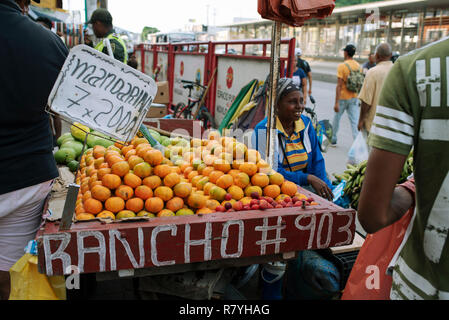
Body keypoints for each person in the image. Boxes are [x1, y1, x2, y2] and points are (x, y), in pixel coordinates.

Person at [358, 37, 449, 299]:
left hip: (424, 285)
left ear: (376, 56)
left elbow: (372, 216)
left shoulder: (417, 68)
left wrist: (410, 188)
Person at [0, 0, 68, 299]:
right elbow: (67, 105)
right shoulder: (48, 43)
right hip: (26, 180)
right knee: (10, 277)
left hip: (26, 176)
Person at [252, 78, 333, 201]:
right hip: (278, 192)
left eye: (301, 101)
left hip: (306, 187)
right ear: (277, 105)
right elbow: (272, 172)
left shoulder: (306, 124)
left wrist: (325, 189)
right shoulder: (263, 130)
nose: (299, 106)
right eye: (292, 102)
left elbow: (317, 160)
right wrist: (307, 178)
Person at [34, 16, 63, 146]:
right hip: (40, 83)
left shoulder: (54, 41)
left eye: (41, 26)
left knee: (54, 112)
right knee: (45, 113)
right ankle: (51, 138)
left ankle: (58, 138)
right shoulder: (33, 40)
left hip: (53, 83)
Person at [357, 43, 393, 134]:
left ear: (376, 55)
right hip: (391, 125)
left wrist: (361, 120)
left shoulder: (372, 72)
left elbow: (366, 101)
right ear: (391, 55)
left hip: (374, 125)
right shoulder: (398, 71)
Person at [331, 44, 361, 146]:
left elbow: (339, 85)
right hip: (354, 97)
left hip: (343, 97)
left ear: (346, 53)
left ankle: (333, 139)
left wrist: (336, 103)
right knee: (354, 121)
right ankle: (357, 142)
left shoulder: (342, 66)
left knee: (336, 119)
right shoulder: (358, 66)